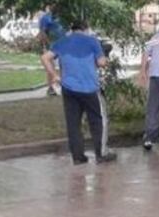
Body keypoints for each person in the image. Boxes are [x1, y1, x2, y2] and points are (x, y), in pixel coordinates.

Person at [41, 19, 117, 165]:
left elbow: (45, 58)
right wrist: (104, 55)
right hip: (90, 88)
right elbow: (101, 63)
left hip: (69, 88)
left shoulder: (62, 42)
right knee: (98, 120)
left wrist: (55, 75)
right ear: (86, 28)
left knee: (73, 123)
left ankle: (78, 157)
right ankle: (101, 153)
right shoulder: (92, 41)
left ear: (72, 29)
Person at [38, 3, 66, 96]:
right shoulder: (46, 18)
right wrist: (47, 44)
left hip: (63, 44)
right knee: (50, 66)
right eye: (53, 4)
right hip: (52, 45)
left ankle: (65, 86)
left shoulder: (64, 17)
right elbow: (42, 33)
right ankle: (51, 87)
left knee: (65, 65)